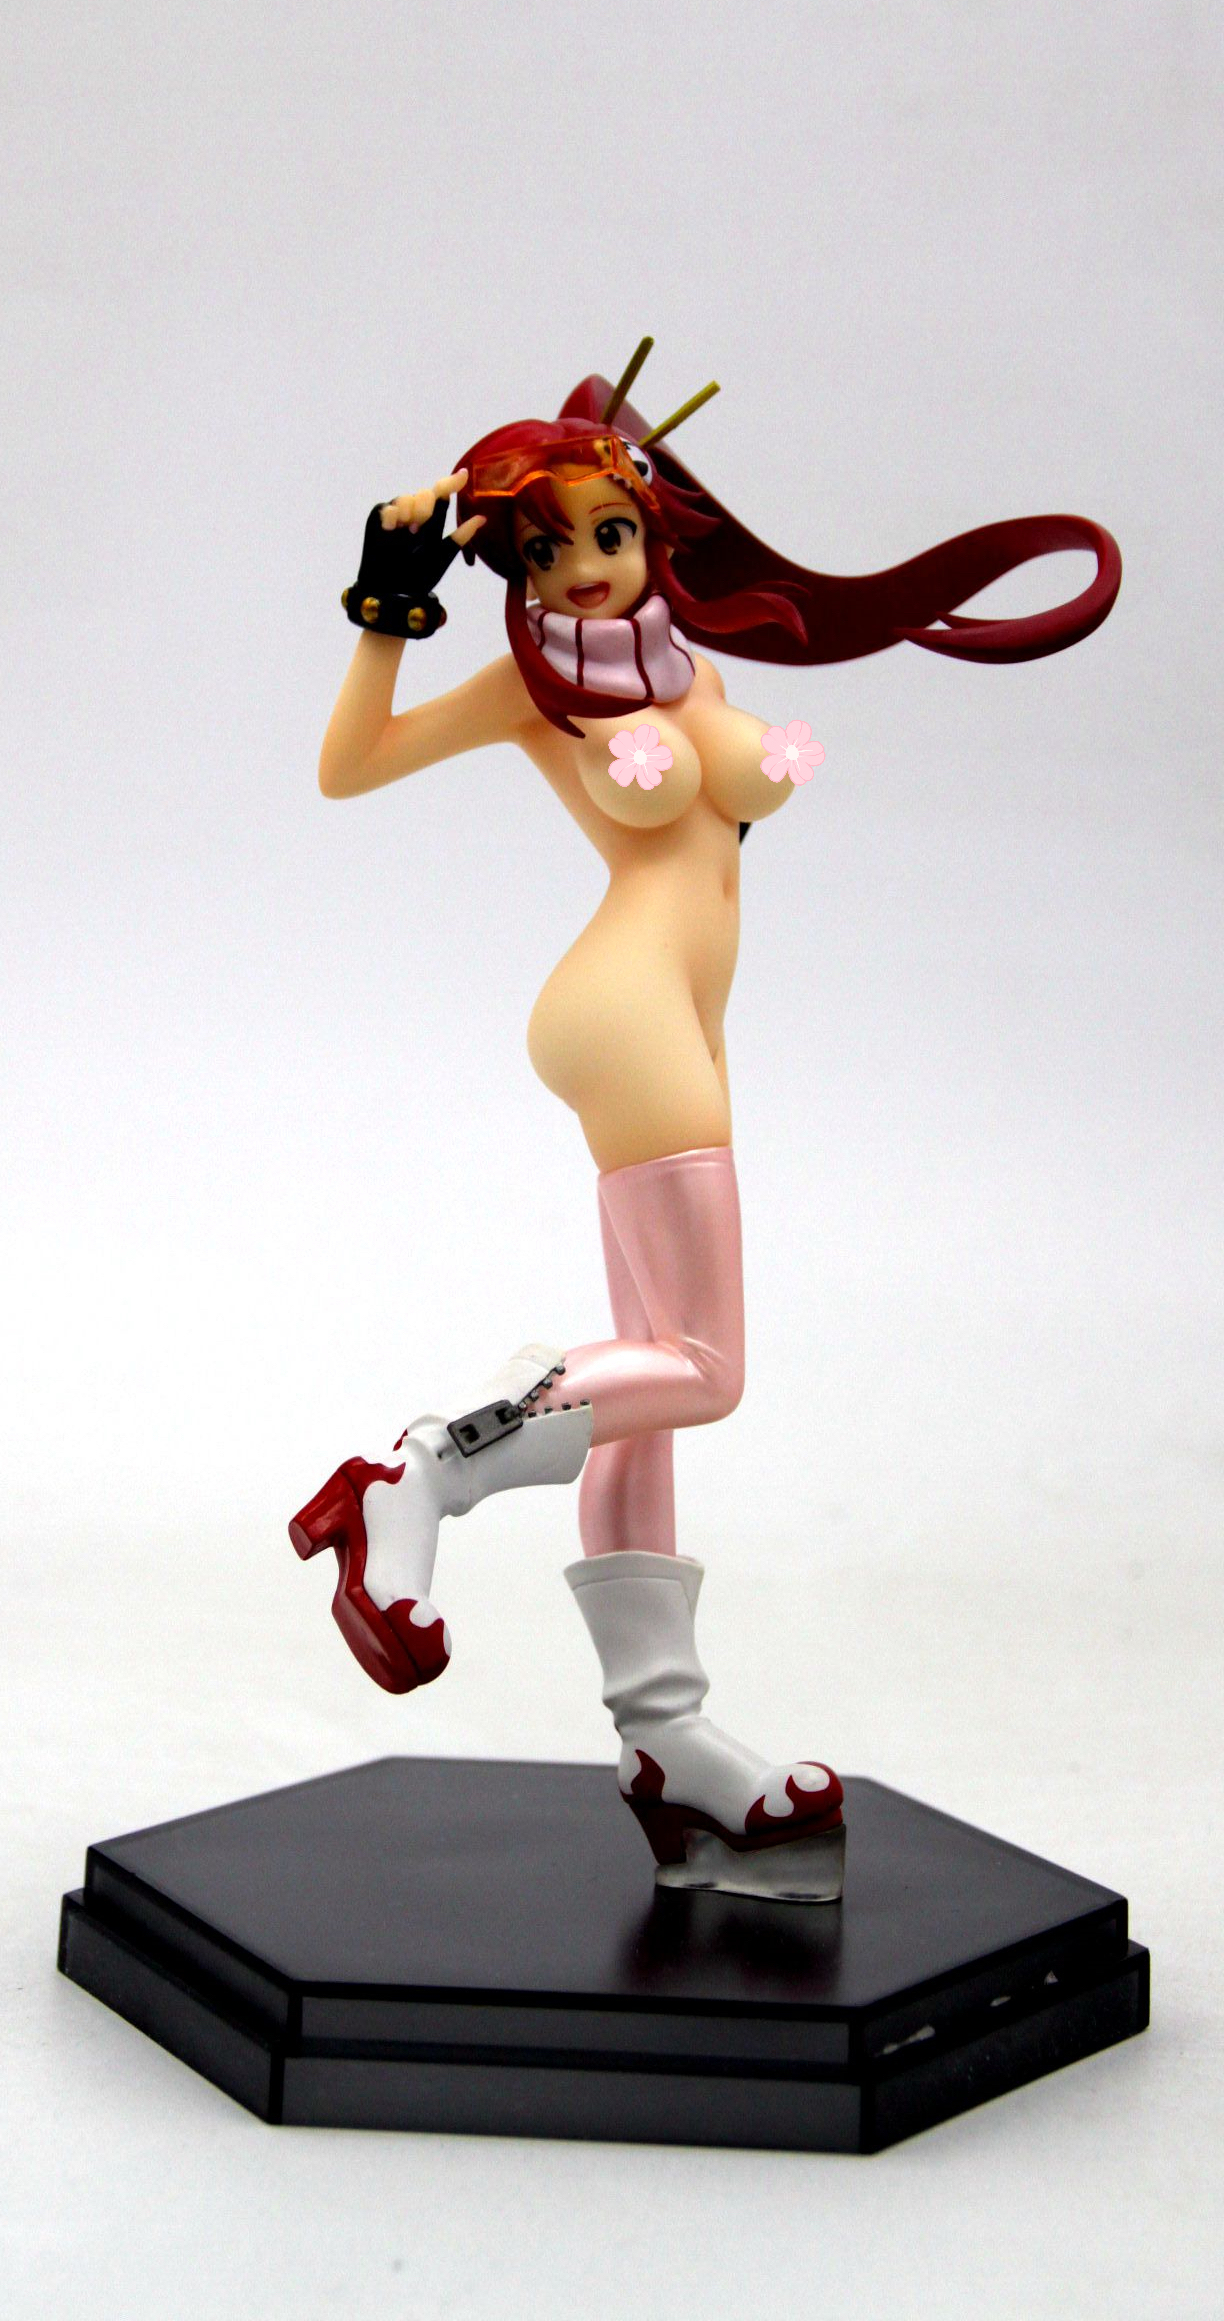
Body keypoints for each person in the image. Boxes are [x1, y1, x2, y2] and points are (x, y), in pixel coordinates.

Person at [294, 345, 1120, 1899]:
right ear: (509, 573)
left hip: (680, 1023)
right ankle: (433, 1467)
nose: (586, 572)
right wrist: (385, 607)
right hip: (628, 1014)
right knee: (707, 1368)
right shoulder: (535, 687)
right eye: (544, 552)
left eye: (609, 533)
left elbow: (729, 794)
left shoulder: (681, 660)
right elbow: (350, 770)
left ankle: (667, 1739)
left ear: (649, 532)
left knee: (649, 1392)